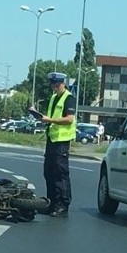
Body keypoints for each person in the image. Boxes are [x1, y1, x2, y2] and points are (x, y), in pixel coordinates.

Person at [41, 72, 77, 217]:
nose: (54, 87)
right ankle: (52, 203)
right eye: (52, 85)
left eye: (56, 85)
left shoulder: (69, 98)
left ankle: (62, 204)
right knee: (48, 172)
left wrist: (49, 120)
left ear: (62, 83)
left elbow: (69, 119)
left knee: (60, 173)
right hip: (52, 139)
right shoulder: (53, 98)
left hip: (62, 141)